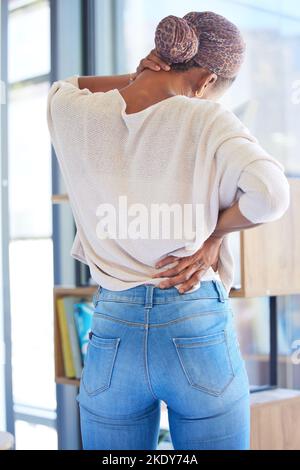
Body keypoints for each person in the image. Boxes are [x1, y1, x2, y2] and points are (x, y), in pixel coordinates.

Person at [47, 11, 290, 450]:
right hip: (194, 319)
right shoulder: (208, 120)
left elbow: (68, 84)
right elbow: (271, 196)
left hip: (112, 330)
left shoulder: (73, 113)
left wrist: (140, 73)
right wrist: (214, 234)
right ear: (206, 82)